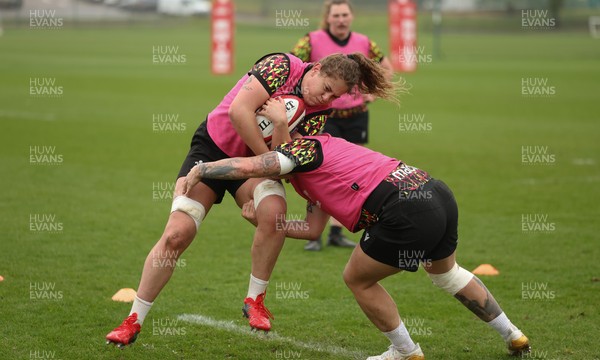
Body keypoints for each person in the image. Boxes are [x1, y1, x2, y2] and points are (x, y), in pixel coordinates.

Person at [105, 51, 398, 347]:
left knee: (274, 214)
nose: (325, 99)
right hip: (213, 150)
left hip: (253, 164)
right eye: (325, 88)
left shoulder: (320, 113)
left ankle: (254, 300)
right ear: (317, 69)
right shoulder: (282, 66)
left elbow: (287, 162)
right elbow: (238, 112)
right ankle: (133, 320)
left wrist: (281, 125)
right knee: (176, 236)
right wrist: (263, 160)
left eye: (334, 96)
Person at [182, 134, 532, 360]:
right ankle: (513, 335)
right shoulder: (312, 173)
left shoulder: (304, 150)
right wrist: (263, 222)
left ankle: (405, 351)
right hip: (433, 191)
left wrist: (202, 169)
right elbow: (310, 230)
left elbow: (249, 165)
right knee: (446, 274)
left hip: (402, 208)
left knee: (357, 278)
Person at [291, 0, 394, 251]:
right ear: (328, 17)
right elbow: (295, 68)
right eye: (336, 15)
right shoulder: (311, 40)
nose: (341, 19)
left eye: (345, 15)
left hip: (356, 115)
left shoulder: (365, 42)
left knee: (350, 174)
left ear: (352, 16)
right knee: (318, 173)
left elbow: (386, 67)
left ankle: (336, 232)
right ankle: (313, 234)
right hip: (325, 117)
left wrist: (372, 94)